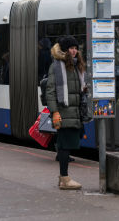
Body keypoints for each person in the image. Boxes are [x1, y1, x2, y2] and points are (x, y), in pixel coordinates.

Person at [46, 35, 86, 190]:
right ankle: (64, 178)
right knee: (64, 146)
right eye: (71, 48)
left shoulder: (76, 65)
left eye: (76, 48)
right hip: (63, 112)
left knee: (67, 145)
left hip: (75, 112)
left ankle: (63, 177)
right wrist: (55, 112)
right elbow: (50, 92)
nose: (74, 51)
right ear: (64, 50)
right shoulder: (57, 66)